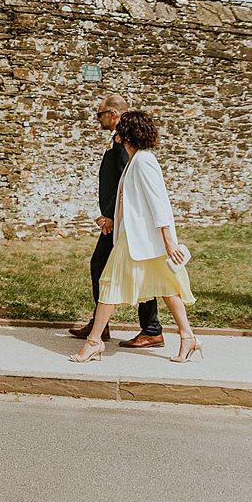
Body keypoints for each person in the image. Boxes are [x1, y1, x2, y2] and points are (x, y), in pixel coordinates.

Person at [70, 111, 201, 364]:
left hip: (141, 240)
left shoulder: (143, 161)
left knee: (109, 284)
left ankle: (94, 342)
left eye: (121, 129)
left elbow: (159, 202)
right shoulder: (136, 160)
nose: (116, 133)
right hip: (141, 239)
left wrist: (168, 240)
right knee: (167, 288)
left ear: (126, 134)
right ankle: (188, 337)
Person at [69, 95, 163, 348]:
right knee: (120, 267)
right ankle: (109, 325)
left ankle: (148, 329)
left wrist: (110, 216)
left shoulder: (124, 143)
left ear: (112, 114)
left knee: (111, 267)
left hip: (121, 221)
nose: (97, 119)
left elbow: (125, 183)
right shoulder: (118, 141)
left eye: (99, 114)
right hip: (118, 218)